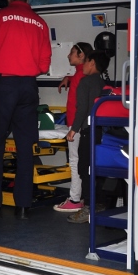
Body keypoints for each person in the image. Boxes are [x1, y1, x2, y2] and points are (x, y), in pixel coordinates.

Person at [0, 0, 52, 220]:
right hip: (28, 87)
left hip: (2, 86)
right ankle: (23, 207)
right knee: (25, 149)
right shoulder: (40, 22)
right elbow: (43, 65)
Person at [66, 51, 110, 224]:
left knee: (84, 169)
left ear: (91, 62)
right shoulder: (102, 83)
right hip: (100, 132)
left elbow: (82, 108)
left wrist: (73, 130)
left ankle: (87, 207)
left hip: (87, 131)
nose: (83, 65)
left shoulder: (85, 82)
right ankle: (98, 203)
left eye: (85, 62)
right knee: (96, 169)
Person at [53, 42, 93, 213]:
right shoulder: (80, 75)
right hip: (78, 125)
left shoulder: (81, 77)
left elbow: (81, 106)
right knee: (79, 162)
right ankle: (79, 197)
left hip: (77, 126)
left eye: (72, 53)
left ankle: (75, 199)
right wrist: (68, 78)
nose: (69, 56)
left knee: (75, 162)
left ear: (81, 55)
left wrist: (74, 128)